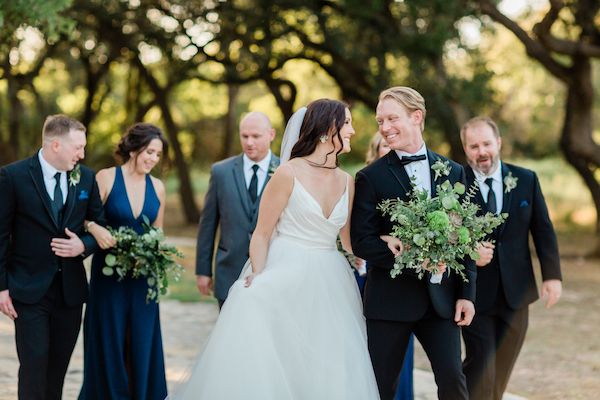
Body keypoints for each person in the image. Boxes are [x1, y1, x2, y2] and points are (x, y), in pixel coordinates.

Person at [175, 99, 380, 399]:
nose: (352, 130)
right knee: (280, 357)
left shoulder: (348, 182)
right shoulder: (287, 173)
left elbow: (349, 242)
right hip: (286, 268)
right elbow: (261, 233)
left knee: (325, 360)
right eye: (347, 123)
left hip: (330, 281)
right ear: (327, 130)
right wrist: (259, 274)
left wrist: (383, 245)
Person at [351, 86, 476, 400]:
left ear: (417, 117)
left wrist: (467, 294)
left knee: (453, 384)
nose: (385, 127)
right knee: (379, 388)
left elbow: (465, 237)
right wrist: (410, 257)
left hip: (441, 302)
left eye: (392, 118)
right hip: (389, 303)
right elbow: (362, 241)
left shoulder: (454, 172)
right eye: (380, 121)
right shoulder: (370, 177)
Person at [0, 115, 105, 399]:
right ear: (55, 145)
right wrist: (1, 287)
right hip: (28, 289)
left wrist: (82, 246)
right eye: (78, 147)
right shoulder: (13, 176)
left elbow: (100, 224)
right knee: (33, 367)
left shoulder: (86, 177)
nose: (82, 154)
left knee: (57, 371)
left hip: (69, 292)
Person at [459, 116, 562, 400]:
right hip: (474, 295)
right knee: (481, 367)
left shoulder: (526, 179)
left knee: (502, 370)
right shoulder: (455, 185)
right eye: (474, 146)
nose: (482, 152)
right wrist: (468, 250)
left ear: (499, 143)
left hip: (517, 294)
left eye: (487, 144)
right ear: (465, 149)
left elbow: (543, 229)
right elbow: (447, 236)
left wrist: (552, 276)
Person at [79, 123, 169, 399]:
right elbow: (83, 217)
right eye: (149, 152)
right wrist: (95, 229)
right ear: (133, 149)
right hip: (109, 279)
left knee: (141, 341)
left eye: (157, 154)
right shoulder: (106, 178)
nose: (153, 159)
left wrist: (153, 252)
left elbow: (158, 231)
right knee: (109, 338)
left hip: (143, 280)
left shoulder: (159, 187)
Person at [196, 112, 279, 308]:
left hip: (272, 269)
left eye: (256, 136)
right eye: (244, 136)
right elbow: (208, 224)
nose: (249, 142)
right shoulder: (220, 171)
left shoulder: (287, 170)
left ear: (271, 135)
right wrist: (203, 270)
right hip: (228, 271)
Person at [363, 132, 415, 400]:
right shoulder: (365, 180)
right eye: (384, 145)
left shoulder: (413, 182)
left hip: (410, 282)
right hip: (372, 275)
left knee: (403, 355)